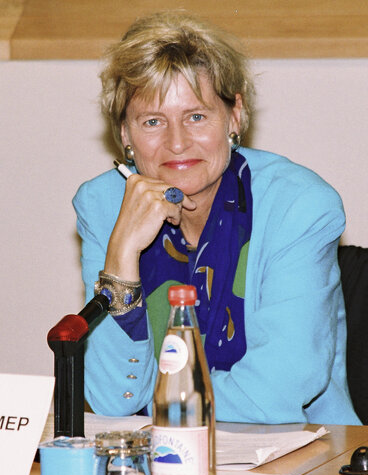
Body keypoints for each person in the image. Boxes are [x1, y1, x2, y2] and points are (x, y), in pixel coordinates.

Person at [72, 10, 360, 425]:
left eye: (196, 116)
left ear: (235, 116)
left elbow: (274, 393)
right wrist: (121, 255)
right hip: (156, 467)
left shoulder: (300, 207)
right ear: (125, 135)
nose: (176, 142)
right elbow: (112, 398)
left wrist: (161, 404)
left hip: (300, 461)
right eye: (152, 121)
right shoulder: (101, 206)